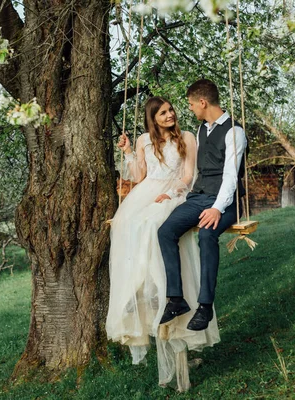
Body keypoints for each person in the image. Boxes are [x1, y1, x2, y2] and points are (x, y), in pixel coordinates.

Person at [106, 97, 219, 388]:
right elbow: (140, 176)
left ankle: (170, 297)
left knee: (155, 224)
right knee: (129, 225)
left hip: (174, 195)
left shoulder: (187, 137)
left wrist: (171, 194)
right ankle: (139, 291)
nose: (170, 115)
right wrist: (129, 152)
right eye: (163, 113)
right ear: (153, 119)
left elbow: (188, 175)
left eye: (170, 110)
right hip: (145, 192)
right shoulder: (145, 139)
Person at [158, 79, 248, 331]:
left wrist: (217, 208)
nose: (190, 109)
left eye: (190, 105)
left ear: (202, 102)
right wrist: (179, 194)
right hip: (199, 197)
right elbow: (198, 171)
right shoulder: (201, 130)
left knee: (207, 234)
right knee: (165, 231)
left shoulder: (234, 132)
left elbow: (231, 176)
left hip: (225, 200)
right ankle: (176, 299)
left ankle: (205, 306)